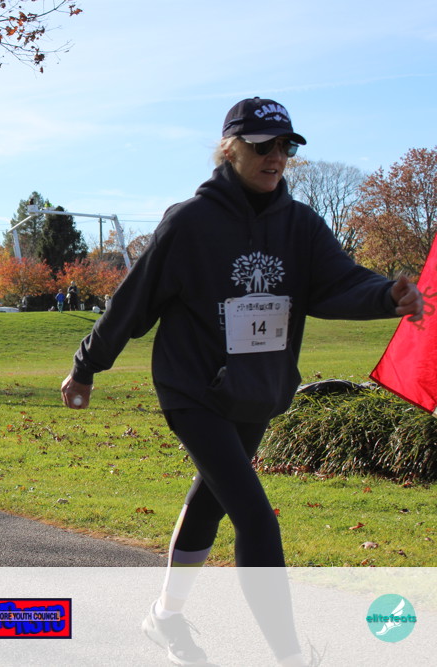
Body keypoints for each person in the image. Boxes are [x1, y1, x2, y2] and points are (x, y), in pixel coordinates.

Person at [60, 97, 423, 667]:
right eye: (262, 146)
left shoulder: (301, 225)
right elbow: (132, 303)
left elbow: (339, 282)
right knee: (253, 514)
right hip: (193, 389)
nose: (276, 156)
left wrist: (386, 296)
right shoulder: (189, 223)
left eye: (286, 146)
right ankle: (289, 655)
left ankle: (165, 618)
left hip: (257, 389)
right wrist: (86, 367)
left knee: (211, 502)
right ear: (229, 150)